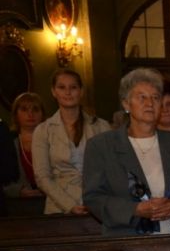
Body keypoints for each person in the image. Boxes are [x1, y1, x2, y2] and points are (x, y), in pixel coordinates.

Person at [83, 68, 170, 235]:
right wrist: (135, 209)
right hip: (127, 238)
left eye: (155, 97)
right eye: (142, 97)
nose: (150, 103)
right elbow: (93, 197)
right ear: (126, 104)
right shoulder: (101, 146)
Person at [32, 69, 111, 215]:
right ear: (53, 92)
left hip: (97, 205)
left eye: (73, 87)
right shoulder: (43, 131)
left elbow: (111, 169)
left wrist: (99, 201)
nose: (68, 92)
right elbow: (42, 177)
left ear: (81, 91)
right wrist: (70, 206)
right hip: (58, 208)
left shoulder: (101, 126)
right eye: (62, 87)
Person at [4, 93, 45, 201]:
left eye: (35, 109)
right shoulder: (6, 143)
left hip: (51, 202)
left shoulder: (54, 141)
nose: (30, 114)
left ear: (42, 114)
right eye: (24, 109)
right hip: (17, 204)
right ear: (16, 114)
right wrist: (18, 191)